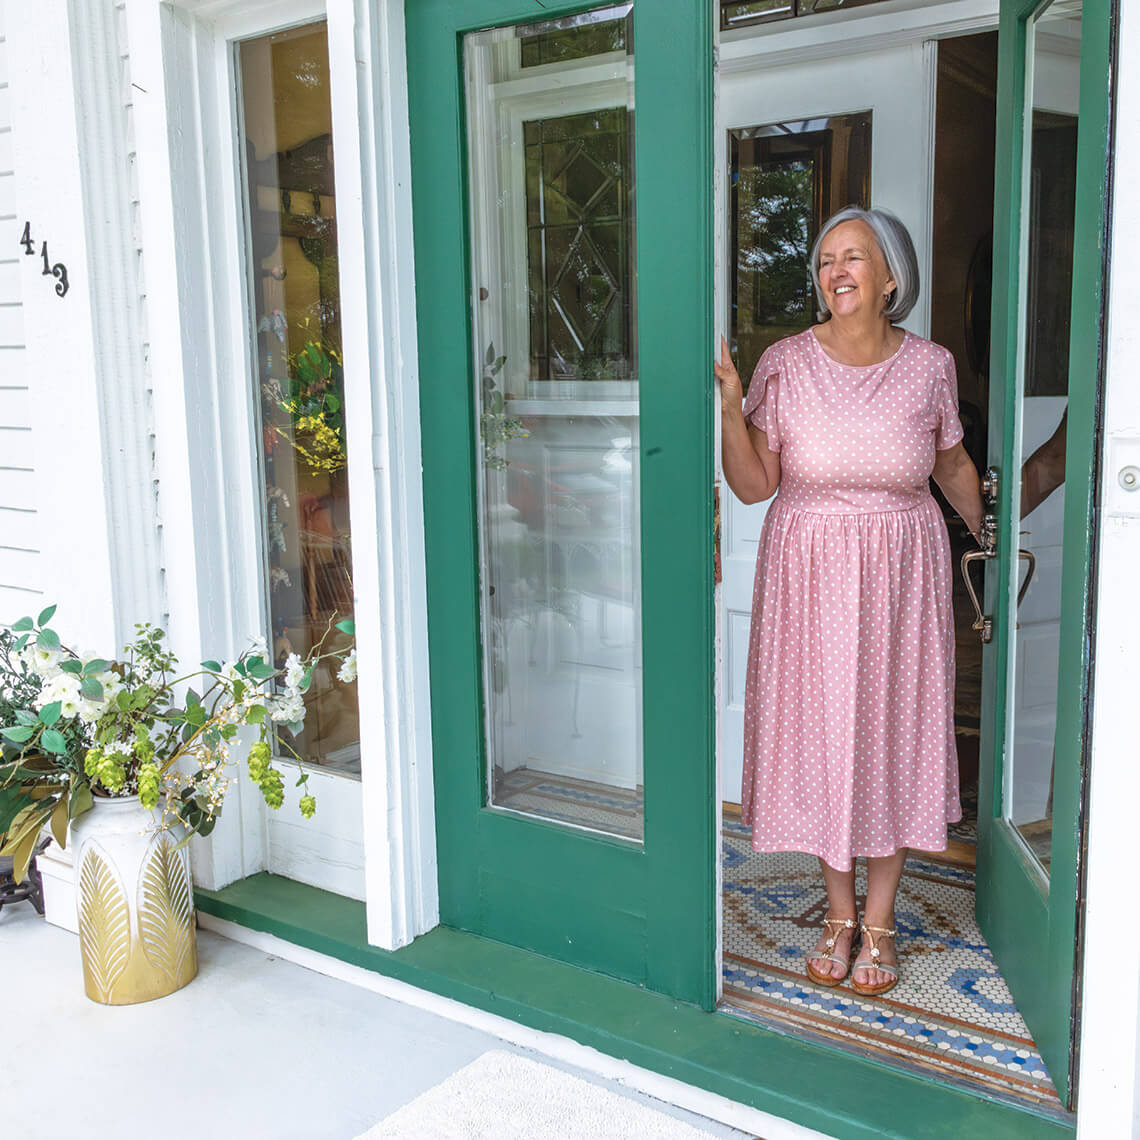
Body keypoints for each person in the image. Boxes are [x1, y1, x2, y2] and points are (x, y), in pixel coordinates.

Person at [715, 206, 984, 995]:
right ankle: (839, 915)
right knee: (830, 739)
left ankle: (882, 921)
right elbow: (755, 486)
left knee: (891, 736)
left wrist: (994, 539)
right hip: (810, 578)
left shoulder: (931, 366)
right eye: (827, 259)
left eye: (855, 257)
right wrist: (730, 405)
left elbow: (951, 465)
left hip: (902, 576)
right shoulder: (785, 363)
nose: (837, 271)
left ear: (891, 278)